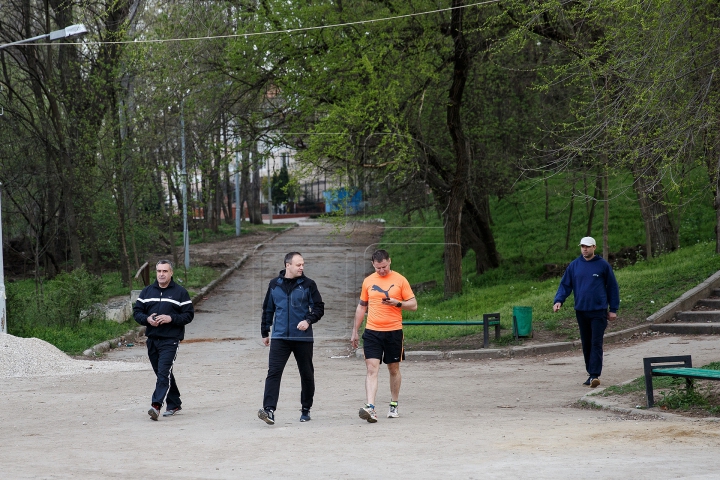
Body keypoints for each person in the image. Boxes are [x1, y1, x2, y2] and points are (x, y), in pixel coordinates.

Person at [258, 252, 325, 425]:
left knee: (306, 373)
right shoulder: (274, 284)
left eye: (303, 264)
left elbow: (319, 307)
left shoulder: (309, 284)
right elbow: (268, 309)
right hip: (280, 337)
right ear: (288, 265)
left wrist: (308, 320)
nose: (302, 267)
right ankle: (269, 410)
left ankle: (306, 408)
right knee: (273, 372)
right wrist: (265, 331)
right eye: (298, 265)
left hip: (302, 338)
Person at [350, 249, 417, 423]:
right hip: (372, 331)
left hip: (394, 331)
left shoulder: (400, 280)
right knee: (372, 368)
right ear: (373, 264)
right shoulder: (368, 281)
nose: (381, 271)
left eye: (384, 267)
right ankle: (370, 408)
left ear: (390, 261)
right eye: (378, 268)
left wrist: (398, 303)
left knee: (393, 369)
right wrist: (355, 331)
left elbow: (414, 305)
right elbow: (361, 307)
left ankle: (393, 404)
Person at [553, 237, 619, 388]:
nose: (585, 249)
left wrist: (613, 309)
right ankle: (590, 373)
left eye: (588, 247)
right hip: (581, 311)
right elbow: (565, 285)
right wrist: (559, 301)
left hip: (598, 311)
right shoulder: (574, 266)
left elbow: (612, 287)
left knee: (596, 342)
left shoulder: (603, 265)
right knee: (586, 343)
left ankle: (595, 374)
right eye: (583, 246)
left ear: (594, 247)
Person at [133, 260, 194, 420]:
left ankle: (156, 406)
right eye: (159, 271)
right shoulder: (147, 292)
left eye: (165, 271)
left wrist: (170, 318)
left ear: (171, 273)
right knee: (163, 373)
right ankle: (174, 403)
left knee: (163, 372)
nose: (161, 274)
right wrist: (147, 319)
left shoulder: (180, 293)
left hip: (170, 340)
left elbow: (189, 315)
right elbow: (137, 312)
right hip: (152, 339)